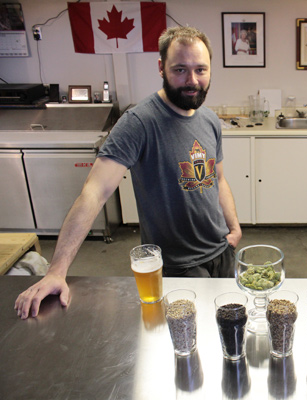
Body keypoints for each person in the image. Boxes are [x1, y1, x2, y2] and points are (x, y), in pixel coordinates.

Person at [15, 26, 242, 319]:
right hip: (179, 264)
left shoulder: (209, 119)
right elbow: (95, 192)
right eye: (180, 70)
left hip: (222, 252)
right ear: (161, 67)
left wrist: (234, 228)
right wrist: (57, 271)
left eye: (201, 69)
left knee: (228, 328)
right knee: (187, 338)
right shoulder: (139, 122)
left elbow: (218, 179)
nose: (192, 80)